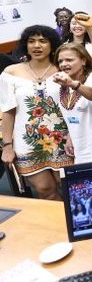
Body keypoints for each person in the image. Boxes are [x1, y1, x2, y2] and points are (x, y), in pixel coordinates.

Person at [1, 26, 68, 200]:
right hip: (28, 141)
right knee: (45, 189)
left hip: (65, 140)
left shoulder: (64, 68)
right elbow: (8, 110)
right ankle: (57, 226)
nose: (36, 45)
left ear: (52, 45)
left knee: (68, 186)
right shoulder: (11, 72)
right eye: (31, 41)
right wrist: (7, 146)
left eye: (43, 41)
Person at [49, 43, 92, 164]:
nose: (64, 64)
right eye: (60, 61)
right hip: (79, 151)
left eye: (69, 60)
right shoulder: (64, 84)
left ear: (83, 61)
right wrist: (70, 136)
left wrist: (73, 84)